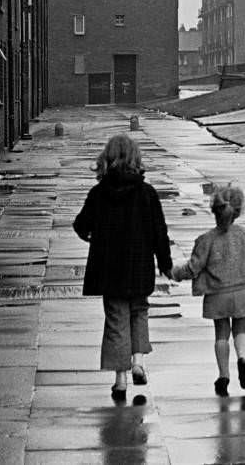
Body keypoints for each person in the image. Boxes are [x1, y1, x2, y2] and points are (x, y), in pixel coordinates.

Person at [73, 134, 172, 404]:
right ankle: (138, 361)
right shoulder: (147, 193)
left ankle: (120, 380)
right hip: (139, 266)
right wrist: (165, 262)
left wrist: (93, 236)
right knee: (139, 312)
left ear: (106, 159)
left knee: (117, 321)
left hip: (109, 269)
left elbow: (81, 225)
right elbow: (159, 232)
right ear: (135, 159)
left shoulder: (99, 193)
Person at [171, 186, 245, 397]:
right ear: (238, 211)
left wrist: (175, 273)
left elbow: (193, 267)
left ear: (214, 211)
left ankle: (223, 376)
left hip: (216, 295)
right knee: (241, 331)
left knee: (221, 335)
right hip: (243, 292)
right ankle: (243, 359)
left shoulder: (206, 240)